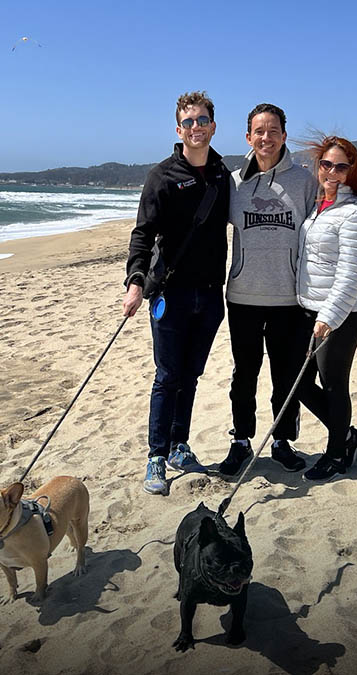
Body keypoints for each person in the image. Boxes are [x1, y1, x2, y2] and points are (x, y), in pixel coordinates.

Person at [123, 91, 231, 496]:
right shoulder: (162, 176)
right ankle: (156, 455)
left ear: (213, 126)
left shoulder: (223, 175)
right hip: (171, 294)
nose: (196, 128)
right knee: (167, 376)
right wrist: (135, 282)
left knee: (192, 375)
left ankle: (179, 445)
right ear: (178, 129)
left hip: (210, 295)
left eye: (202, 121)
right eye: (189, 122)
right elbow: (142, 234)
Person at [218, 103, 318, 477]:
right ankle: (241, 440)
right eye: (259, 131)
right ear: (248, 137)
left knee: (285, 373)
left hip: (289, 296)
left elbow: (320, 234)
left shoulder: (303, 181)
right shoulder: (234, 182)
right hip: (243, 294)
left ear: (283, 136)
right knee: (244, 372)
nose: (266, 137)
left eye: (273, 130)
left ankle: (281, 441)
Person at [294, 136, 357, 481]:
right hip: (312, 309)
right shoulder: (320, 205)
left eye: (341, 166)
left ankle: (336, 455)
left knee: (334, 385)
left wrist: (328, 319)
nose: (332, 172)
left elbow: (351, 274)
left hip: (344, 315)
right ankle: (347, 436)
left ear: (353, 171)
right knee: (298, 382)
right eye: (326, 164)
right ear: (317, 166)